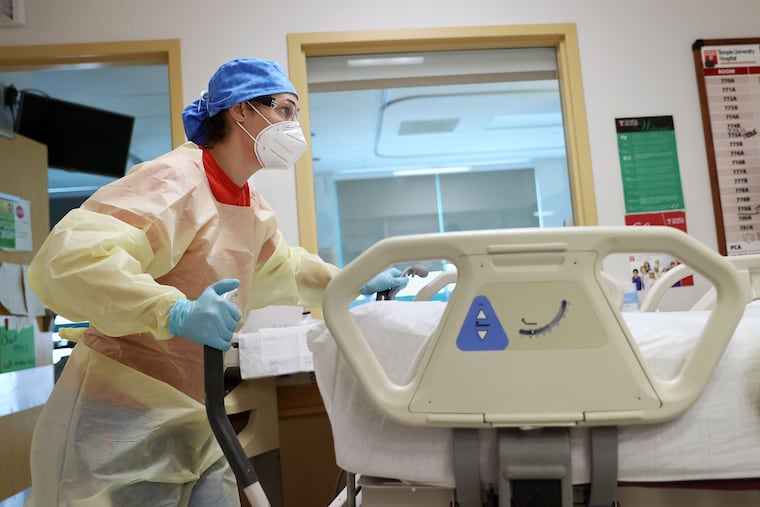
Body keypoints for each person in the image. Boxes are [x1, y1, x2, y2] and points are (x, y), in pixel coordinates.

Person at [24, 58, 408, 507]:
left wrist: (349, 282)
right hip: (121, 415)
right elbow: (73, 259)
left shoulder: (248, 203)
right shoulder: (173, 180)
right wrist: (174, 311)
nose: (294, 127)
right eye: (285, 110)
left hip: (199, 411)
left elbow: (279, 269)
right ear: (240, 111)